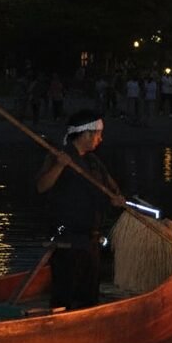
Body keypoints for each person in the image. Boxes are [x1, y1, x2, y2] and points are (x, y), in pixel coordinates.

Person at [35, 110, 123, 310]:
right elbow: (41, 186)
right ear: (86, 135)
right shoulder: (59, 156)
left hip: (90, 238)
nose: (101, 139)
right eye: (98, 134)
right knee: (65, 295)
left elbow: (112, 190)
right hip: (66, 238)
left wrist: (116, 199)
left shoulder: (93, 162)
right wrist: (59, 166)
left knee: (89, 295)